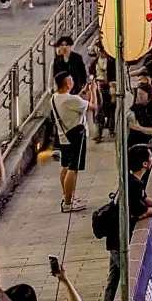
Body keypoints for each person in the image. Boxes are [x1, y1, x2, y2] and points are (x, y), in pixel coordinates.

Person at [97, 144, 152, 301]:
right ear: (145, 164)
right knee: (129, 278)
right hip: (120, 241)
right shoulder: (132, 185)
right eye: (151, 157)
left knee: (114, 278)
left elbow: (144, 200)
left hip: (114, 239)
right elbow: (141, 212)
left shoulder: (130, 181)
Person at [50, 71, 92, 212]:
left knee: (66, 166)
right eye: (71, 79)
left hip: (64, 136)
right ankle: (68, 203)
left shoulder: (55, 97)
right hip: (76, 136)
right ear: (67, 83)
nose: (73, 81)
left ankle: (67, 195)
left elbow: (74, 102)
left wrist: (82, 93)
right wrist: (93, 92)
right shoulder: (72, 100)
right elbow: (93, 106)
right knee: (73, 168)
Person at [125, 82, 152, 155]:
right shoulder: (135, 108)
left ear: (149, 95)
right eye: (138, 94)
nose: (139, 97)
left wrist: (140, 128)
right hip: (134, 145)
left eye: (142, 94)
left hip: (148, 146)